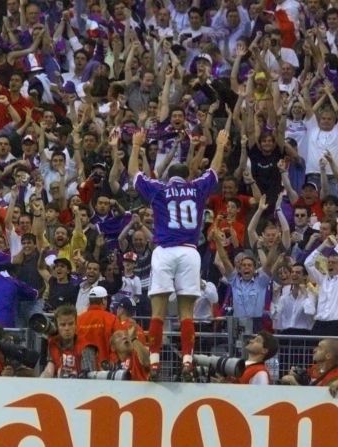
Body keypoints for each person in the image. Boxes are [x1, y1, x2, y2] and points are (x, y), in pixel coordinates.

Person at [128, 129, 228, 380]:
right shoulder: (197, 189)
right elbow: (214, 171)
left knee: (158, 312)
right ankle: (186, 361)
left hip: (164, 250)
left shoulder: (159, 190)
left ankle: (153, 362)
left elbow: (133, 174)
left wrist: (136, 146)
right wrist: (219, 145)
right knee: (187, 312)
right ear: (186, 177)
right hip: (189, 252)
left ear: (169, 177)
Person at [40, 305, 98, 378]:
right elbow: (49, 370)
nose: (67, 328)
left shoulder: (86, 347)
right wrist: (41, 382)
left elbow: (89, 377)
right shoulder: (53, 344)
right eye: (63, 325)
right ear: (57, 326)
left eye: (70, 324)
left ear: (76, 324)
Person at [77, 286, 117, 369]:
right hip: (105, 368)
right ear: (103, 300)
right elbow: (118, 344)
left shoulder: (79, 319)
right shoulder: (112, 319)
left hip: (82, 368)